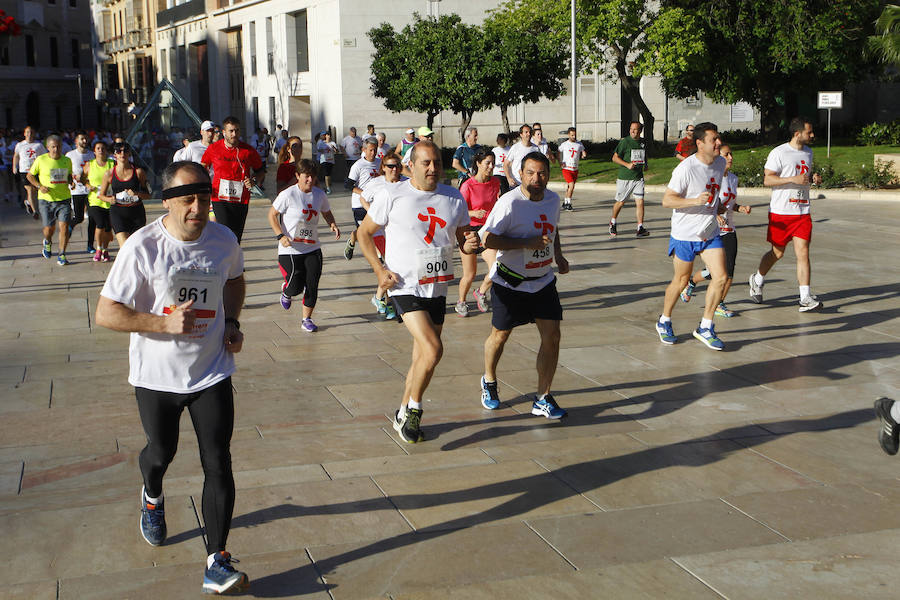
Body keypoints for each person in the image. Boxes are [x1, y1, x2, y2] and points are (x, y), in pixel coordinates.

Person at [94, 161, 249, 596]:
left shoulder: (224, 239)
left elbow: (235, 281)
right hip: (157, 376)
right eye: (188, 199)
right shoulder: (142, 247)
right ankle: (152, 494)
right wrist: (162, 324)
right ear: (167, 202)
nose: (198, 208)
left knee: (218, 460)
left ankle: (217, 560)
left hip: (211, 371)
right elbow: (106, 313)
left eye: (204, 198)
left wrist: (231, 322)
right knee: (161, 452)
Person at [356, 140, 478, 444]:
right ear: (410, 165)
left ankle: (401, 412)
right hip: (404, 285)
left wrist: (470, 245)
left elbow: (463, 240)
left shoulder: (453, 197)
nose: (433, 168)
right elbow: (364, 233)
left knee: (423, 356)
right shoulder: (393, 194)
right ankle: (414, 410)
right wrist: (379, 271)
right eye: (426, 162)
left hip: (437, 285)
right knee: (434, 349)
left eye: (437, 162)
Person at [478, 152, 570, 418]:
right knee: (500, 335)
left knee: (552, 336)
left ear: (548, 175)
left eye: (541, 173)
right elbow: (487, 239)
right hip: (510, 281)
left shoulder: (553, 200)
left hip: (542, 280)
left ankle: (543, 396)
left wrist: (559, 255)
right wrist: (525, 243)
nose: (536, 178)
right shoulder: (510, 203)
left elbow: (552, 229)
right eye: (530, 173)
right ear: (520, 174)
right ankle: (489, 380)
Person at [655, 122, 728, 351]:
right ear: (700, 143)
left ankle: (705, 326)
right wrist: (694, 201)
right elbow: (667, 200)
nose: (718, 143)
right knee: (681, 281)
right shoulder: (685, 168)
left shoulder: (720, 163)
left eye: (718, 138)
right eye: (713, 140)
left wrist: (717, 207)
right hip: (684, 234)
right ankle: (664, 320)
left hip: (709, 232)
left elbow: (713, 190)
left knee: (721, 277)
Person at [748, 116, 824, 312]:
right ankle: (757, 279)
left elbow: (804, 176)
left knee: (803, 252)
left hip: (802, 212)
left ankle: (805, 297)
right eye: (809, 132)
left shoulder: (808, 152)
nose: (812, 135)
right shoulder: (779, 152)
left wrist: (813, 178)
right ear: (797, 134)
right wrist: (792, 179)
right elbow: (767, 180)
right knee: (777, 253)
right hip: (781, 212)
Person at [269, 159, 340, 332]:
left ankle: (306, 319)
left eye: (313, 176)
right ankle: (286, 291)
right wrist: (280, 235)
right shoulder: (288, 194)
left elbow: (326, 212)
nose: (310, 180)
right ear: (297, 176)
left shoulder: (319, 194)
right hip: (290, 249)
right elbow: (272, 215)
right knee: (295, 287)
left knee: (312, 284)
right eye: (306, 176)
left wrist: (332, 224)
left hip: (312, 247)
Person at [680, 144, 750, 317]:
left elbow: (730, 203)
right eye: (726, 154)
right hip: (713, 230)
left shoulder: (733, 179)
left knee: (729, 271)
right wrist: (716, 214)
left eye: (731, 154)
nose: (730, 158)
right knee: (715, 272)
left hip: (730, 229)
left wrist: (740, 208)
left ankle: (719, 303)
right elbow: (706, 201)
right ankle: (691, 282)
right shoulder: (713, 177)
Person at [201, 116, 266, 243]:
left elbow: (260, 171)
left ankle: (232, 255)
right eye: (231, 131)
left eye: (237, 130)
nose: (234, 134)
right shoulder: (214, 148)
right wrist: (205, 184)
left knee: (236, 238)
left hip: (241, 199)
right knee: (225, 233)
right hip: (219, 198)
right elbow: (203, 166)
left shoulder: (248, 151)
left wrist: (253, 181)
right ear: (224, 132)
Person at [359, 151, 405, 321]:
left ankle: (382, 299)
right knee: (389, 267)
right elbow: (363, 198)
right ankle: (384, 300)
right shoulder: (377, 183)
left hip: (398, 233)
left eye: (397, 166)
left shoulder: (406, 183)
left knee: (396, 267)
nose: (394, 169)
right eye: (390, 166)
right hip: (379, 232)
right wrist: (373, 213)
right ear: (383, 168)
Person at [456, 151, 500, 317]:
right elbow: (458, 212)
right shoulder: (468, 185)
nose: (491, 166)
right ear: (478, 163)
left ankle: (480, 292)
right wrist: (473, 213)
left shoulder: (495, 182)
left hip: (487, 231)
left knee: (496, 268)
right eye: (487, 163)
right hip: (469, 231)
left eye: (493, 163)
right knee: (470, 274)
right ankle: (461, 301)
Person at [27, 134, 74, 264]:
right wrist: (39, 186)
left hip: (64, 199)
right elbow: (30, 176)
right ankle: (47, 241)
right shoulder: (41, 160)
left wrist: (71, 182)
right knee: (49, 229)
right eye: (53, 147)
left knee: (64, 226)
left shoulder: (67, 160)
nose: (56, 149)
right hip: (46, 200)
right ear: (48, 147)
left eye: (58, 147)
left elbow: (69, 175)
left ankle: (62, 254)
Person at [99, 143, 151, 249]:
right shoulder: (109, 173)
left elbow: (148, 195)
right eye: (119, 151)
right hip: (118, 213)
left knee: (136, 247)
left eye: (125, 151)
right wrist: (109, 200)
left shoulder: (139, 172)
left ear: (129, 153)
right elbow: (101, 195)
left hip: (136, 213)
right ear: (115, 155)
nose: (122, 154)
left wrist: (137, 193)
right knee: (124, 247)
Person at [609, 121, 650, 237]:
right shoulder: (625, 142)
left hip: (638, 177)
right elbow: (614, 158)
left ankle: (640, 227)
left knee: (640, 202)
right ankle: (613, 222)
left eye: (635, 129)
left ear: (640, 131)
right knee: (620, 202)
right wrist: (627, 165)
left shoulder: (643, 142)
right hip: (625, 177)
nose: (632, 131)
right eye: (631, 128)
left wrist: (646, 164)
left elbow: (644, 154)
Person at [343, 139, 381, 260]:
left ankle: (379, 255)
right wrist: (364, 193)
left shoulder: (380, 163)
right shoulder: (358, 166)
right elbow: (348, 185)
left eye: (375, 150)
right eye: (370, 150)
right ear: (364, 150)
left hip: (375, 204)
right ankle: (379, 257)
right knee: (365, 232)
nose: (373, 153)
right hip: (359, 204)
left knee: (373, 231)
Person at [84, 140, 115, 261]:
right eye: (98, 148)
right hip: (95, 199)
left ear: (106, 151)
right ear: (94, 151)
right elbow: (82, 178)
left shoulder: (112, 163)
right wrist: (88, 185)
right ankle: (98, 248)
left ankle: (105, 250)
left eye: (103, 148)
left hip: (109, 199)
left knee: (108, 227)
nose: (101, 150)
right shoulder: (90, 164)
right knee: (100, 224)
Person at [65, 130, 95, 250]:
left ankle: (90, 245)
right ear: (76, 141)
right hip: (77, 190)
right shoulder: (70, 155)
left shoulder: (92, 155)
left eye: (86, 138)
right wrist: (71, 181)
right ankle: (70, 226)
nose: (84, 141)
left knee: (92, 219)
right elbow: (66, 171)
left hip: (90, 191)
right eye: (82, 139)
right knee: (79, 217)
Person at [13, 125, 46, 218]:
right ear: (24, 133)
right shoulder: (19, 145)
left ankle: (28, 202)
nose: (29, 134)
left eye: (31, 132)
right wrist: (14, 167)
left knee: (35, 190)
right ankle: (35, 211)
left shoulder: (39, 145)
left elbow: (44, 157)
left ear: (34, 134)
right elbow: (16, 156)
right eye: (27, 132)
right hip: (24, 170)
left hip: (36, 170)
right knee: (30, 190)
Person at [557, 127, 587, 212]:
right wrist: (560, 162)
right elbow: (558, 152)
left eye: (574, 135)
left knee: (570, 187)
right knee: (571, 185)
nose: (573, 137)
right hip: (566, 168)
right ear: (568, 135)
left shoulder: (579, 144)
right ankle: (569, 203)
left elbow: (583, 151)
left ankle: (565, 202)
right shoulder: (565, 144)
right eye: (572, 135)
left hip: (575, 169)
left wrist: (583, 154)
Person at [503, 124, 539, 189]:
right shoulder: (515, 148)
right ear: (521, 134)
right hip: (516, 183)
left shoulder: (536, 149)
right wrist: (509, 178)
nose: (528, 134)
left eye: (530, 132)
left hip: (530, 183)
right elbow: (506, 164)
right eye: (526, 132)